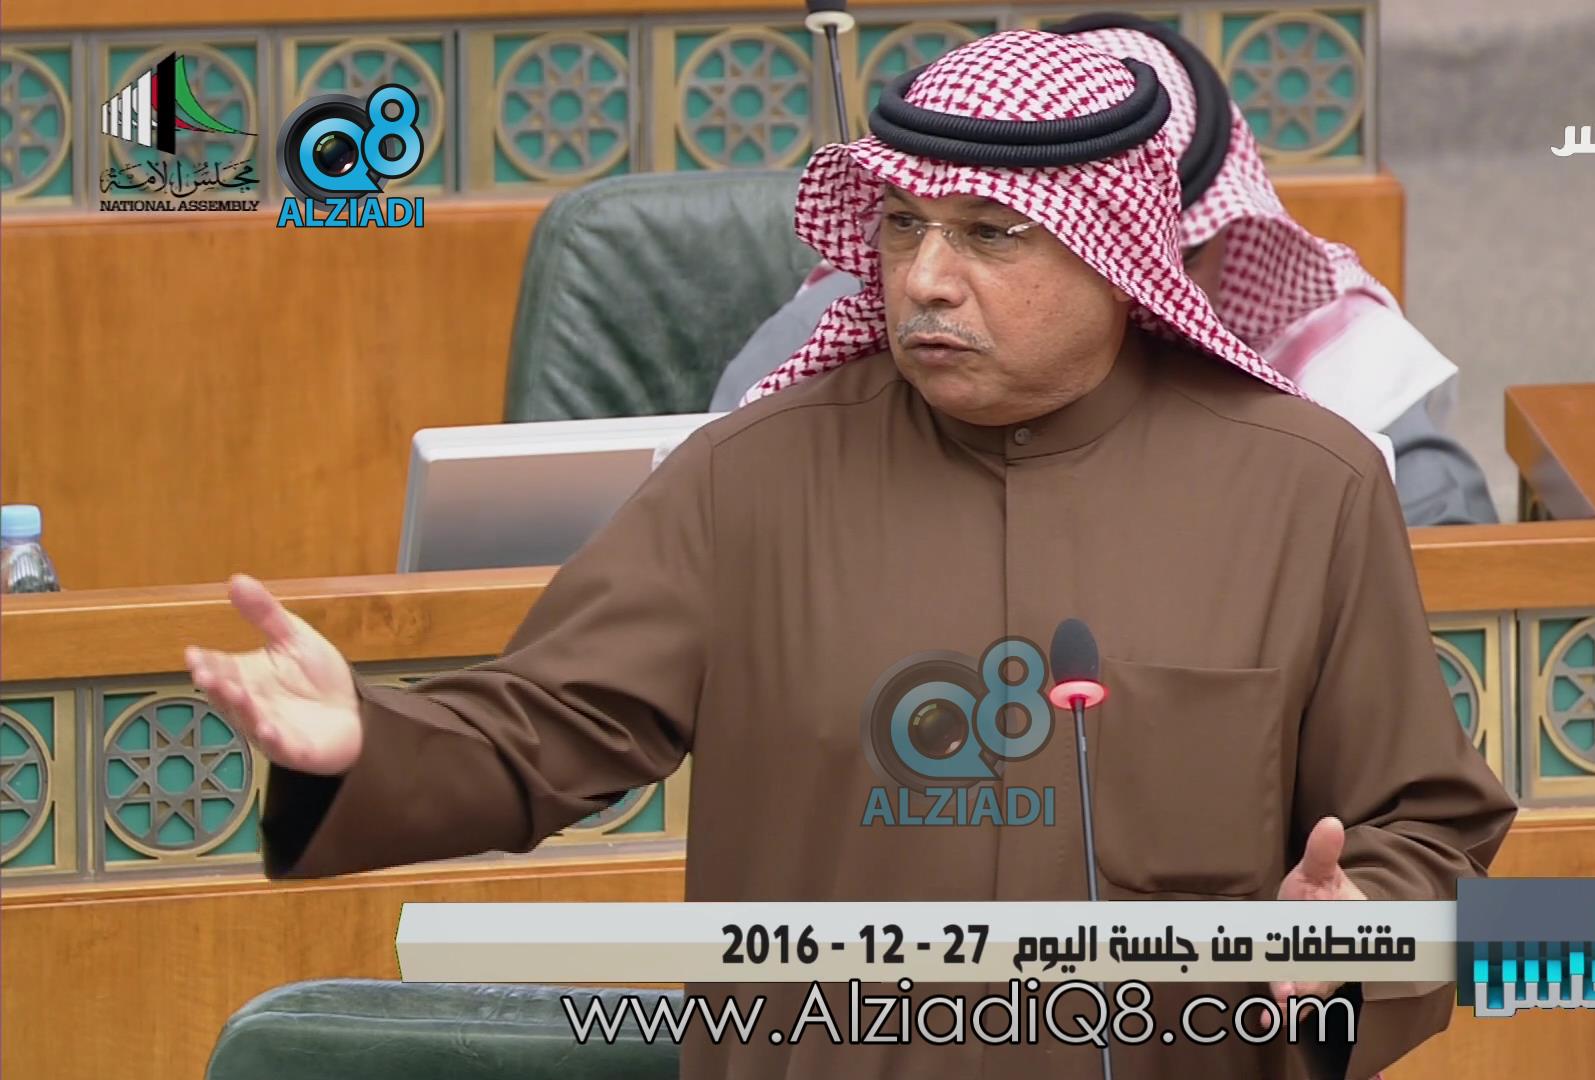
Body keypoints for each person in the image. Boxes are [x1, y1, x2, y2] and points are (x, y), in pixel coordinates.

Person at [186, 30, 1514, 1080]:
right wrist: (364, 745)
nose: (924, 277)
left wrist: (1357, 933)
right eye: (902, 226)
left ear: (1117, 254)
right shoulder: (754, 475)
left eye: (989, 234)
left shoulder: (1306, 490)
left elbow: (1426, 824)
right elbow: (547, 726)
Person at [708, 15, 1499, 528]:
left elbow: (1447, 543)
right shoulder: (884, 309)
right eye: (912, 226)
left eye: (1174, 263)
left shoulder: (1327, 351)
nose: (1145, 298)